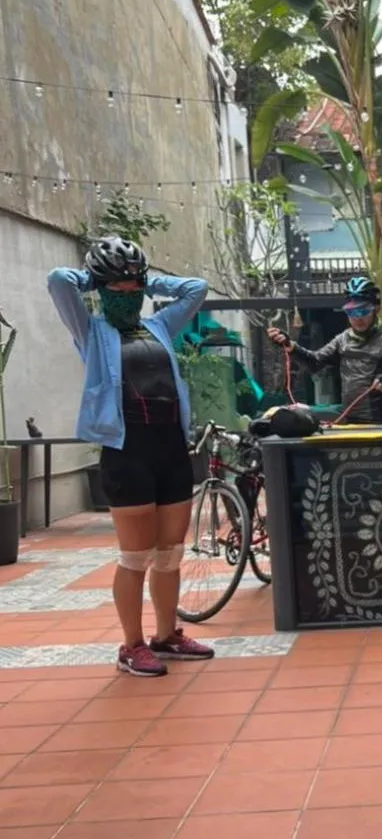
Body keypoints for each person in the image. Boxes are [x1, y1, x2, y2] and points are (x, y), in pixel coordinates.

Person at [47, 237, 215, 676]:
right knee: (135, 556)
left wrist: (146, 280)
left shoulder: (159, 325)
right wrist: (97, 277)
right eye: (115, 290)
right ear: (101, 291)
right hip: (127, 451)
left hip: (171, 448)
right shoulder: (93, 332)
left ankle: (166, 635)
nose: (126, 296)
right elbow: (58, 281)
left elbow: (196, 287)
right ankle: (131, 645)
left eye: (132, 289)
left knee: (170, 553)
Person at [266, 276, 382, 426]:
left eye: (363, 311)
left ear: (376, 309)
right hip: (348, 419)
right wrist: (290, 345)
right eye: (352, 312)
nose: (358, 318)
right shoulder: (343, 339)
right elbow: (315, 362)